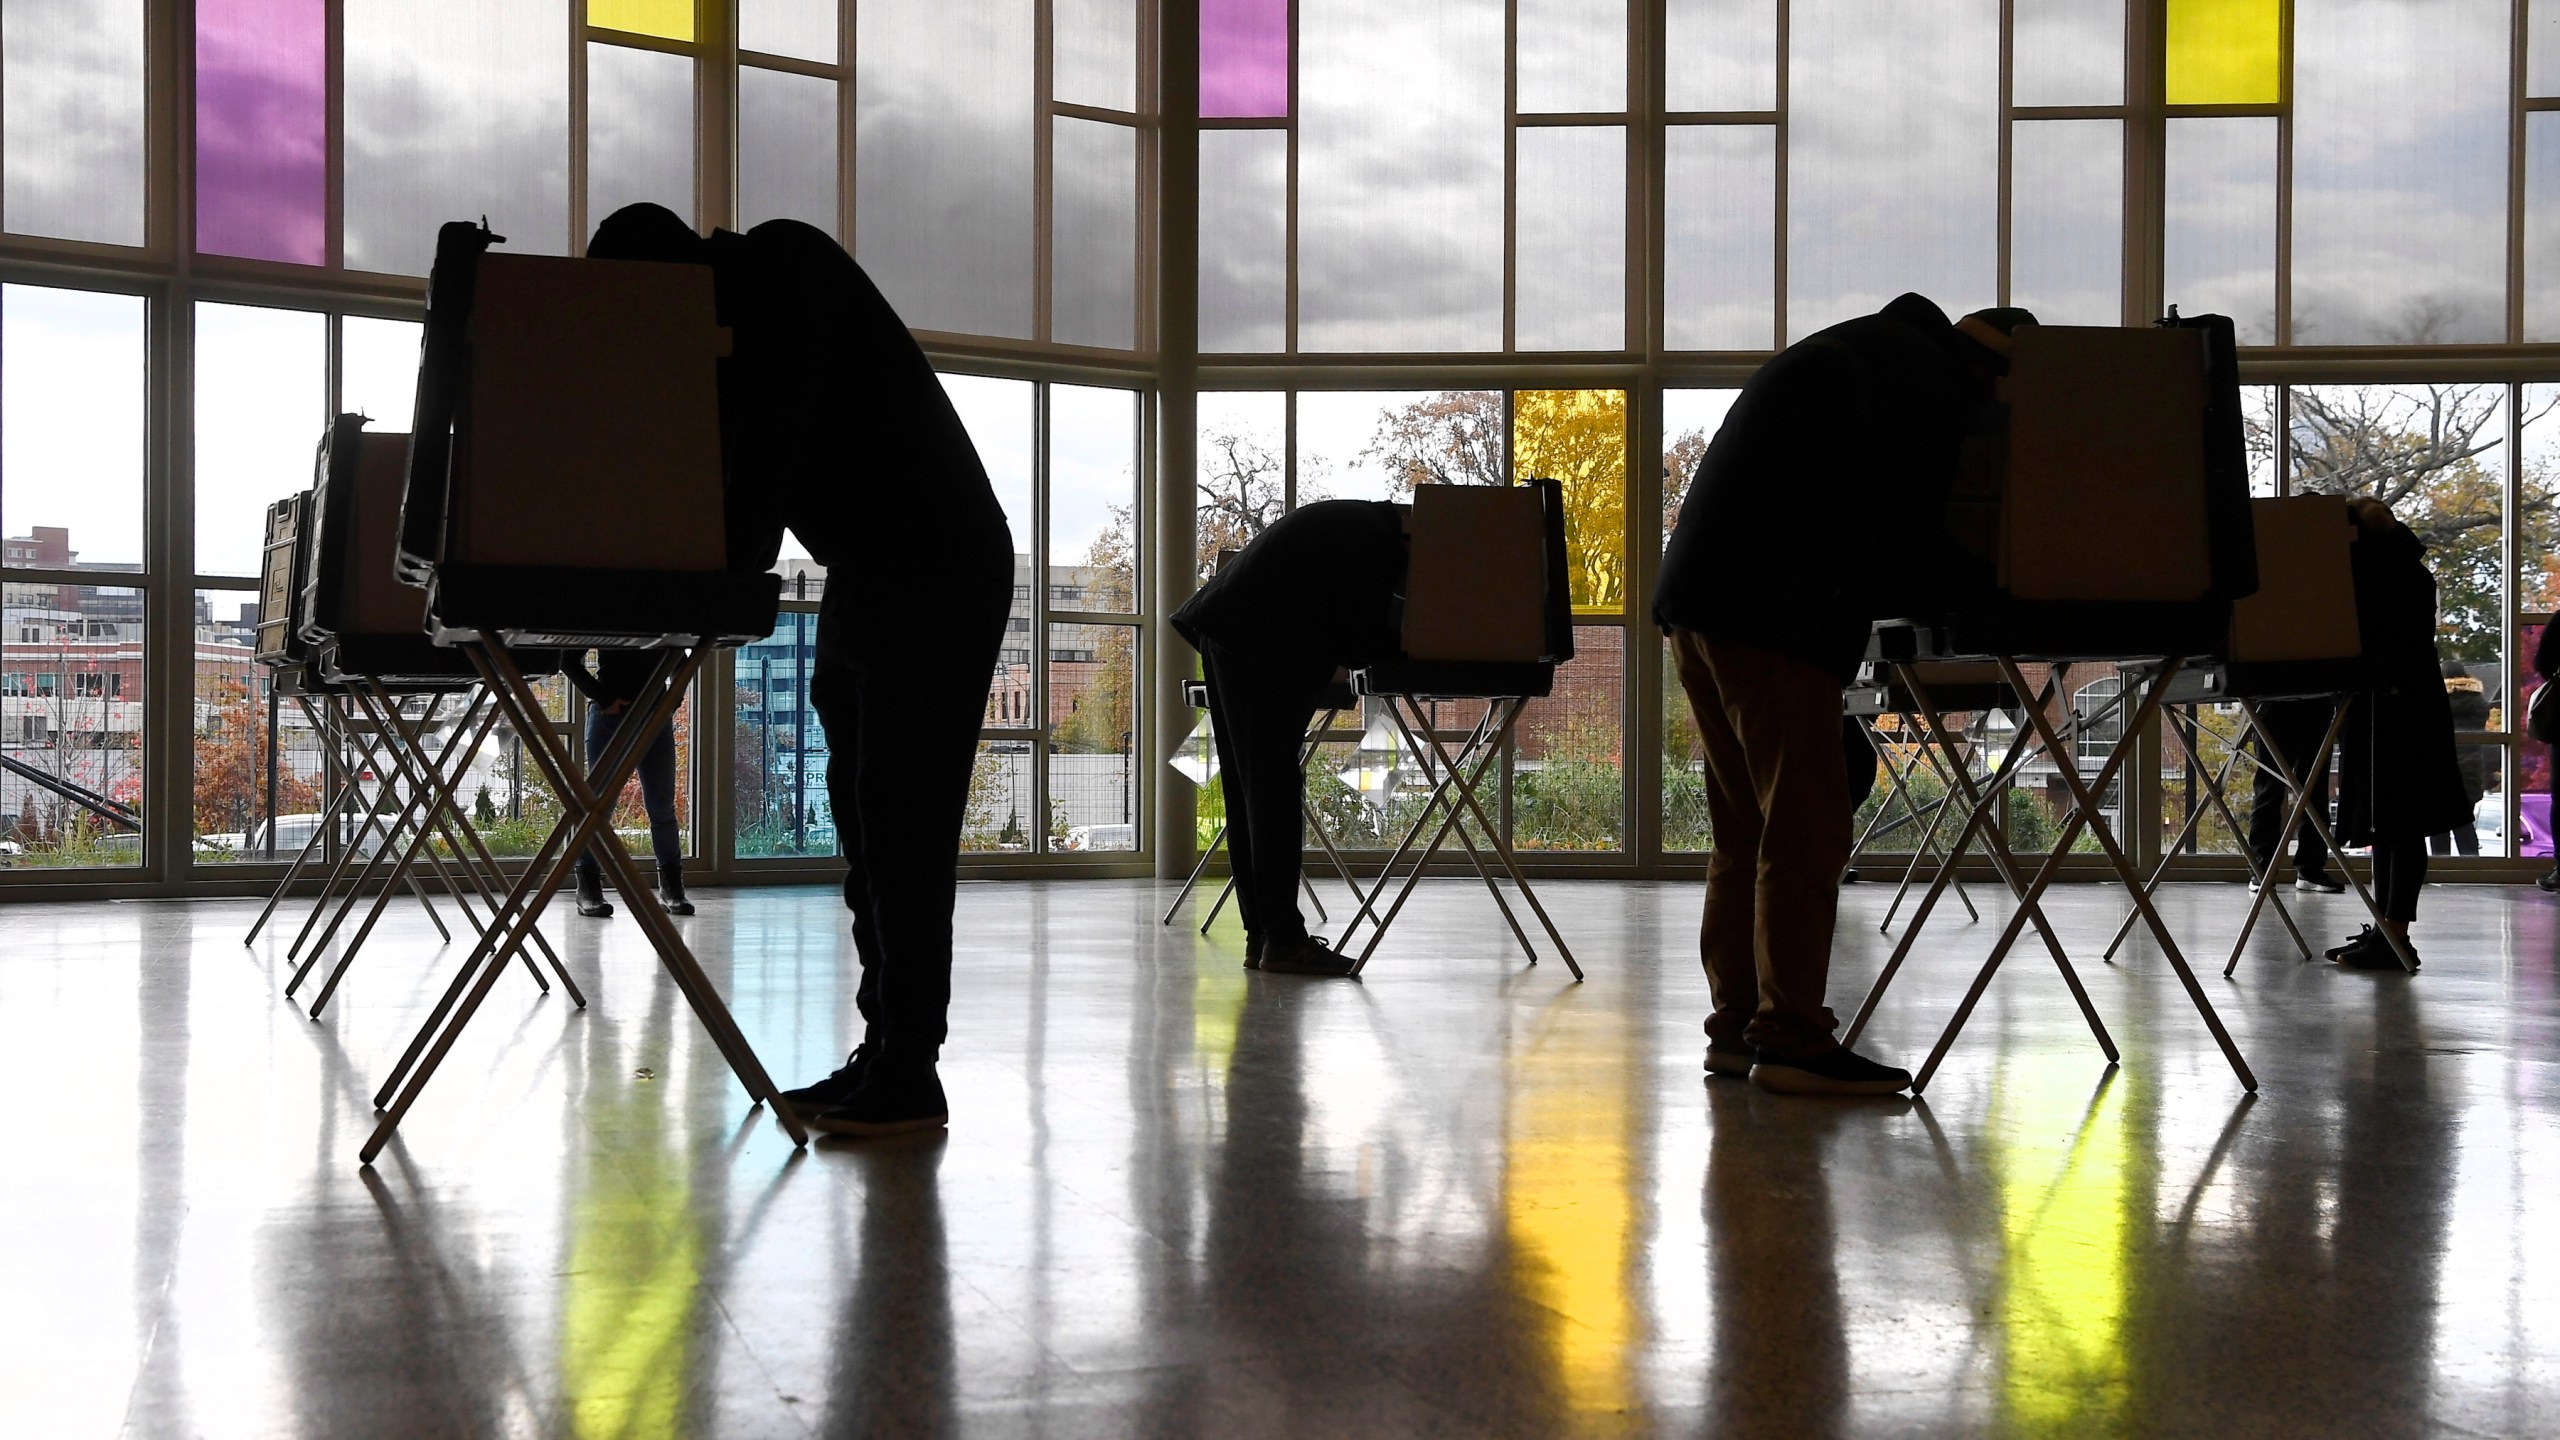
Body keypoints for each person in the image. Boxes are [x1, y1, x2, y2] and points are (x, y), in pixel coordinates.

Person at [588, 204, 1014, 1138]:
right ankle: (888, 1052)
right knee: (864, 811)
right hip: (877, 563)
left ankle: (910, 1068)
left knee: (901, 814)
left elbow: (752, 495)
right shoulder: (744, 310)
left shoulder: (780, 273)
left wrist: (643, 615)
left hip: (939, 560)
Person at [1653, 293, 2027, 1096]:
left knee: (1746, 832)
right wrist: (1983, 597)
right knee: (1807, 828)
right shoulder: (1923, 380)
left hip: (1698, 602)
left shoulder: (1864, 351)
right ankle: (1790, 1039)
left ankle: (1736, 1032)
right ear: (1998, 375)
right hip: (1767, 610)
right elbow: (1901, 525)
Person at [1170, 500, 1409, 977]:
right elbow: (1364, 638)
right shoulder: (1382, 545)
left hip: (1227, 627)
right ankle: (1282, 940)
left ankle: (1262, 935)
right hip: (1258, 636)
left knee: (1247, 790)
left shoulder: (1357, 523)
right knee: (1272, 787)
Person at [2326, 498, 2471, 971]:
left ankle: (2393, 933)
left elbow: (2378, 639)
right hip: (2409, 706)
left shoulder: (2378, 577)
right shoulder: (2408, 571)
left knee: (2395, 825)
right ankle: (2388, 929)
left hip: (2392, 707)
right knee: (2392, 826)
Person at [566, 648, 692, 918]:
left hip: (651, 716)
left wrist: (673, 699)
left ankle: (672, 889)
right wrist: (601, 696)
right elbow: (567, 659)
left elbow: (679, 661)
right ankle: (588, 888)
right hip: (613, 716)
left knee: (661, 806)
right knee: (598, 809)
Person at [2245, 698, 2344, 892]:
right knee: (2300, 790)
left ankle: (2265, 868)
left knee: (2274, 789)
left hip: (2274, 700)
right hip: (2305, 699)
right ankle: (2304, 869)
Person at [2430, 660, 2491, 856]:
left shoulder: (2435, 700)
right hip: (2471, 767)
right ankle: (2471, 865)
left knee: (2438, 823)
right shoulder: (2479, 702)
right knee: (2464, 820)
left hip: (2441, 765)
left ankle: (2441, 866)